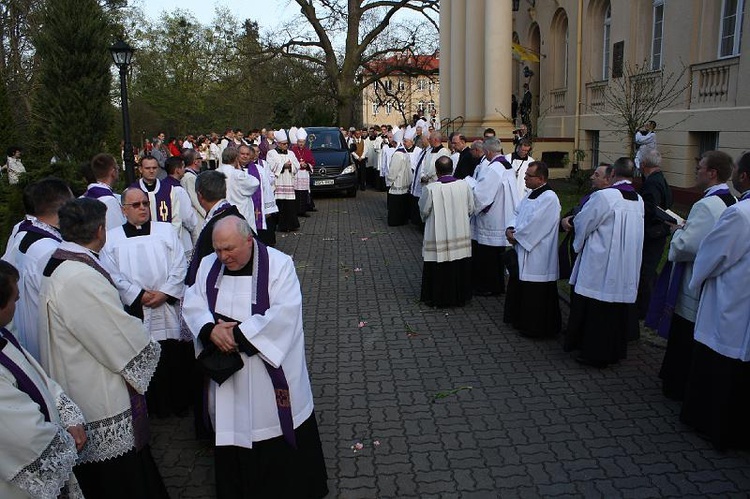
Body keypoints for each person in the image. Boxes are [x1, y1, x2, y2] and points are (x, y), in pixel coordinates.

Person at [183, 216, 328, 498]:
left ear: (249, 239)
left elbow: (285, 314)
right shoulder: (207, 265)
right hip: (228, 380)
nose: (223, 257)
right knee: (232, 430)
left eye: (230, 249)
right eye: (218, 250)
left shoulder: (279, 265)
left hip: (266, 376)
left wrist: (237, 336)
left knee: (270, 431)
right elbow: (193, 301)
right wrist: (209, 329)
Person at [37, 198, 168, 498]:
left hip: (79, 376)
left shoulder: (66, 261)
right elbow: (113, 333)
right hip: (96, 392)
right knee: (121, 481)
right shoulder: (78, 275)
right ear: (100, 230)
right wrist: (144, 339)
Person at [680, 152, 750, 450]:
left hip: (729, 300)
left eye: (736, 170)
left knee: (721, 368)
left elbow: (713, 255)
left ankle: (715, 428)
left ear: (743, 176)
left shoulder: (740, 213)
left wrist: (696, 278)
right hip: (742, 302)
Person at [0, 260, 87, 499]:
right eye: (14, 299)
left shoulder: (4, 335)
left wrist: (67, 414)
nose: (17, 305)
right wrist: (65, 442)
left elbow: (37, 377)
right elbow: (21, 435)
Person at [101, 188, 191, 419]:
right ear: (123, 210)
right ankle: (155, 409)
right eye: (136, 205)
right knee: (146, 357)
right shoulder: (112, 238)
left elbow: (180, 263)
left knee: (173, 357)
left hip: (167, 305)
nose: (142, 208)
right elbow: (111, 273)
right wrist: (138, 294)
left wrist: (165, 292)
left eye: (145, 203)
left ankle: (179, 404)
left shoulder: (166, 231)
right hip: (137, 309)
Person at [658, 151, 736, 401]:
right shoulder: (730, 200)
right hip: (714, 281)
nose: (696, 170)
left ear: (712, 173)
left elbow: (687, 247)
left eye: (700, 166)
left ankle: (677, 385)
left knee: (684, 336)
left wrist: (677, 232)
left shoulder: (706, 205)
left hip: (694, 281)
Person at [564, 157, 644, 367]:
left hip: (601, 263)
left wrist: (576, 240)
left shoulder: (605, 196)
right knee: (615, 310)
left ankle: (594, 353)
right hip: (624, 263)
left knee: (597, 311)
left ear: (613, 175)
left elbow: (584, 222)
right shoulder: (638, 199)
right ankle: (614, 351)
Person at [5, 178, 72, 361]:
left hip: (27, 333)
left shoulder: (23, 232)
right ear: (64, 208)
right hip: (51, 343)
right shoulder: (51, 251)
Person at [504, 161, 561, 337]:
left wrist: (517, 237)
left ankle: (536, 328)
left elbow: (537, 225)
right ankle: (520, 320)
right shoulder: (531, 194)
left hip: (538, 253)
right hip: (523, 247)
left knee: (536, 294)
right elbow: (516, 213)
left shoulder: (550, 198)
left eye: (529, 176)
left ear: (541, 178)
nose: (525, 178)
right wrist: (510, 228)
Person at [465, 138, 519, 296]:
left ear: (488, 152)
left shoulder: (494, 168)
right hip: (504, 213)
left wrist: (470, 183)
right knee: (496, 256)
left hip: (493, 218)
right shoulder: (506, 165)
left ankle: (489, 287)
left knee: (488, 256)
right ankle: (497, 285)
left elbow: (482, 196)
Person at [419, 156, 474, 307]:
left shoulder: (430, 189)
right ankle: (460, 297)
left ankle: (437, 298)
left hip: (438, 236)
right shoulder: (464, 185)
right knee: (459, 263)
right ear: (452, 169)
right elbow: (471, 208)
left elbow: (423, 211)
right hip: (460, 233)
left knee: (439, 264)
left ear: (436, 171)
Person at [133, 155, 198, 257]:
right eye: (147, 168)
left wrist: (170, 242)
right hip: (143, 246)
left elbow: (176, 219)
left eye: (154, 168)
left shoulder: (169, 190)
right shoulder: (132, 192)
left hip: (167, 246)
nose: (151, 171)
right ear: (140, 169)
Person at [558, 163, 612, 279]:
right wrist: (564, 221)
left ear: (607, 180)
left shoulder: (605, 200)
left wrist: (571, 220)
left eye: (596, 175)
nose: (592, 177)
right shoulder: (592, 195)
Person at [637, 148, 672, 321]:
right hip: (658, 233)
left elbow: (650, 209)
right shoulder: (661, 180)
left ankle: (645, 310)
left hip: (652, 234)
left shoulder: (652, 183)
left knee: (645, 272)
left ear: (643, 165)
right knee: (649, 270)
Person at [240, 144, 278, 246]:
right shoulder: (233, 171)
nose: (245, 156)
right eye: (242, 154)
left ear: (251, 156)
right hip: (240, 210)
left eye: (247, 154)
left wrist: (268, 208)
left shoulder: (259, 169)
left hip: (257, 210)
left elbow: (267, 189)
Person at [217, 146, 260, 234]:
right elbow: (255, 183)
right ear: (236, 158)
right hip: (240, 212)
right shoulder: (238, 174)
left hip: (221, 214)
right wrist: (240, 169)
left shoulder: (215, 172)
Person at [267, 130, 300, 232]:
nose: (286, 145)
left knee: (289, 205)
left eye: (287, 143)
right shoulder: (271, 153)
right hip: (278, 182)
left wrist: (291, 166)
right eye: (284, 144)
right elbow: (270, 166)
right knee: (279, 204)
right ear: (278, 144)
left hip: (288, 181)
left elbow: (297, 165)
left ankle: (291, 224)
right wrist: (282, 165)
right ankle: (280, 225)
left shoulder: (291, 153)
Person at [83, 153, 126, 230]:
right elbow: (118, 231)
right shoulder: (109, 201)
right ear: (113, 172)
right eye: (117, 168)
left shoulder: (82, 198)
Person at [291, 128, 315, 216]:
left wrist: (307, 165)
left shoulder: (308, 151)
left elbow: (312, 162)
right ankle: (297, 211)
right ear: (297, 141)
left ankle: (303, 210)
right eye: (299, 142)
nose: (301, 143)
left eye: (303, 142)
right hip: (296, 174)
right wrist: (298, 164)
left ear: (305, 142)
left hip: (304, 174)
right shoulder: (292, 151)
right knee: (296, 193)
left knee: (304, 193)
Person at [181, 148, 207, 226]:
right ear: (195, 161)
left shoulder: (190, 175)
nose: (202, 160)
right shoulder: (190, 177)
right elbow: (195, 200)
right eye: (200, 158)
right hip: (196, 217)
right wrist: (207, 214)